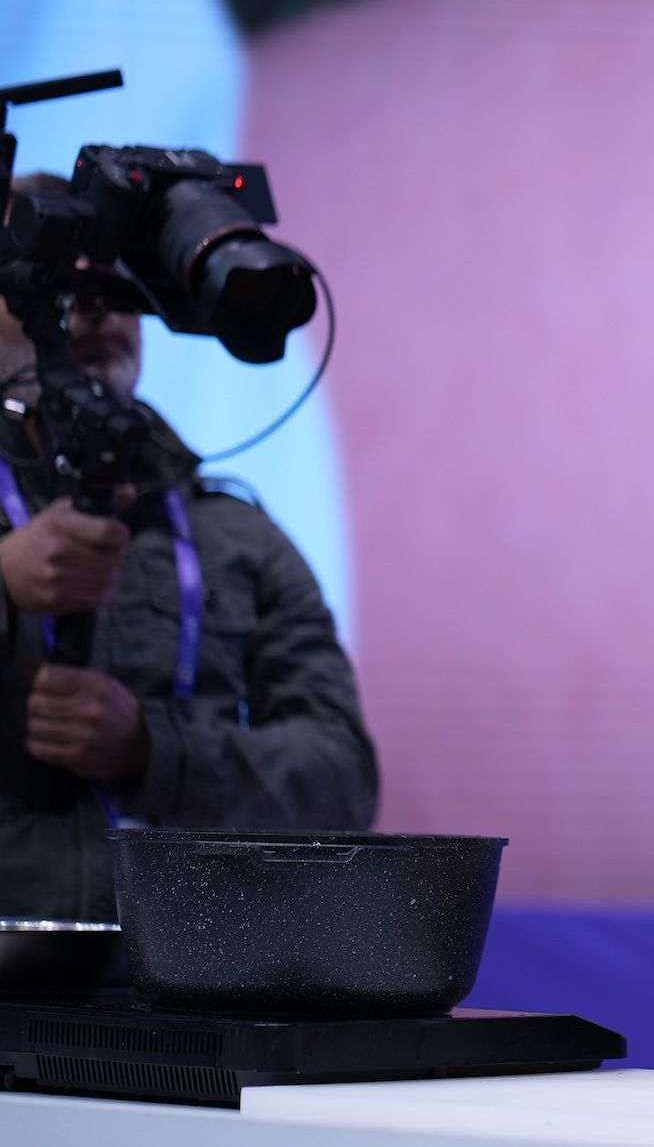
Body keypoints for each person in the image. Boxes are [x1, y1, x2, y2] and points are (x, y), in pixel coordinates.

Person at [0, 172, 379, 922]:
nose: (98, 309)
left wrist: (151, 751)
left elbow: (343, 781)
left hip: (177, 997)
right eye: (56, 287)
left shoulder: (233, 531)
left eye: (117, 285)